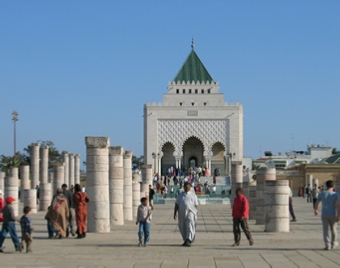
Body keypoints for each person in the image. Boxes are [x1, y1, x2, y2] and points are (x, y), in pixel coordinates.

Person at [314, 180, 340, 250]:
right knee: (333, 229)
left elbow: (317, 202)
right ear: (333, 186)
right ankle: (333, 243)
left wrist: (316, 209)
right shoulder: (335, 194)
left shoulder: (322, 193)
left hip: (324, 213)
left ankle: (327, 245)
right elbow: (338, 205)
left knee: (325, 230)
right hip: (332, 213)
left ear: (326, 186)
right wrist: (338, 215)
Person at [174, 181, 198, 247]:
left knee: (190, 224)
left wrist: (195, 213)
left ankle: (189, 239)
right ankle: (186, 238)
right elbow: (176, 204)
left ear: (190, 187)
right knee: (183, 226)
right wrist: (175, 213)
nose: (187, 188)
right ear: (184, 187)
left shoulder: (193, 195)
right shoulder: (180, 195)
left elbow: (196, 205)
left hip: (191, 212)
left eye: (188, 187)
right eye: (186, 187)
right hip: (182, 213)